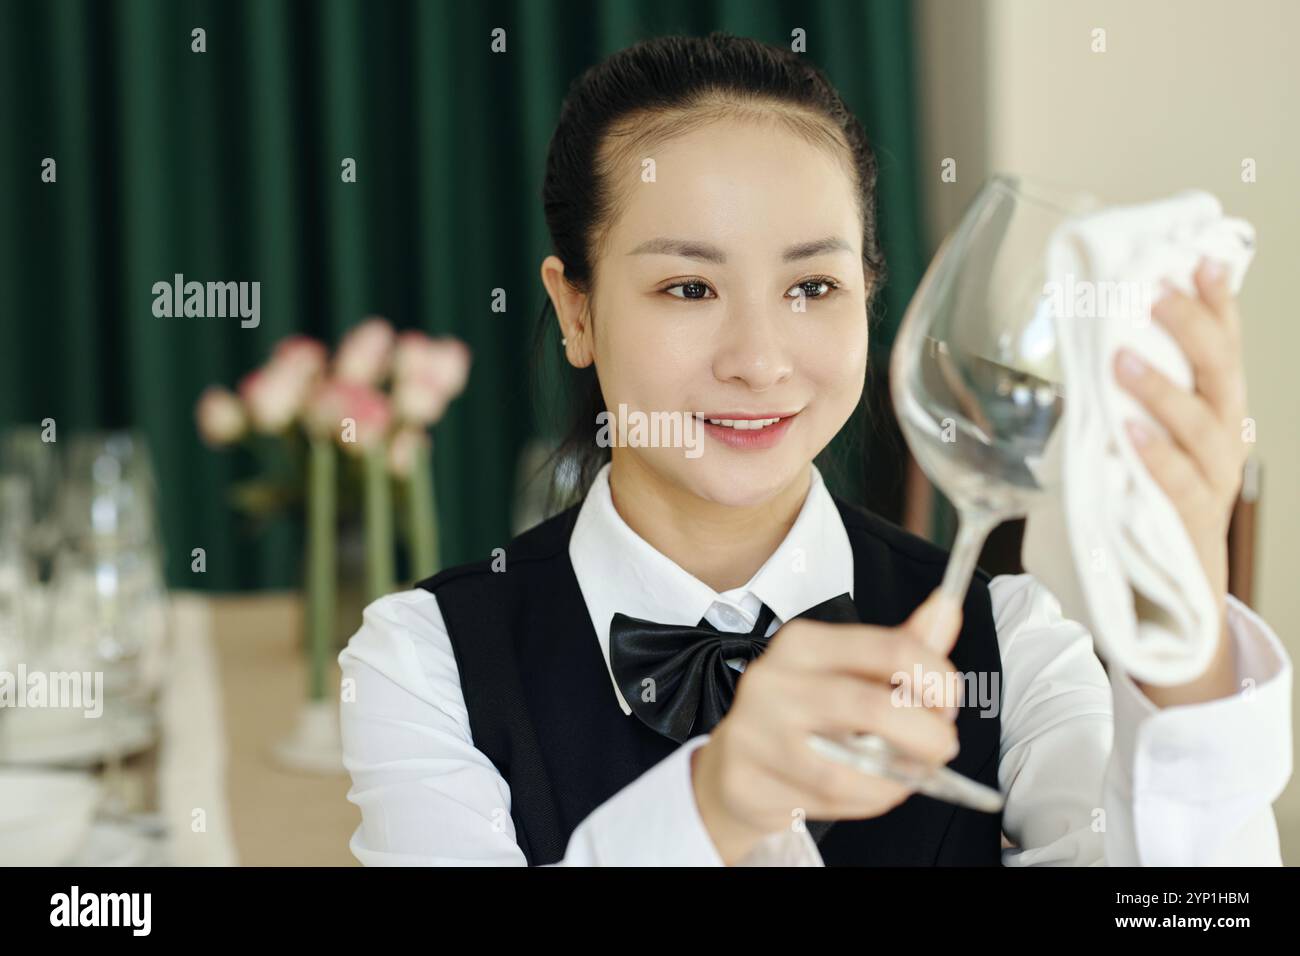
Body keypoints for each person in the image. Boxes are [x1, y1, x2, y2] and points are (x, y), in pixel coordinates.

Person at [338, 33, 1291, 866]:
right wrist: (710, 812)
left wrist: (1186, 645)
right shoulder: (425, 665)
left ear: (871, 297)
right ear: (575, 309)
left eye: (812, 288)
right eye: (688, 289)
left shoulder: (1017, 643)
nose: (759, 361)